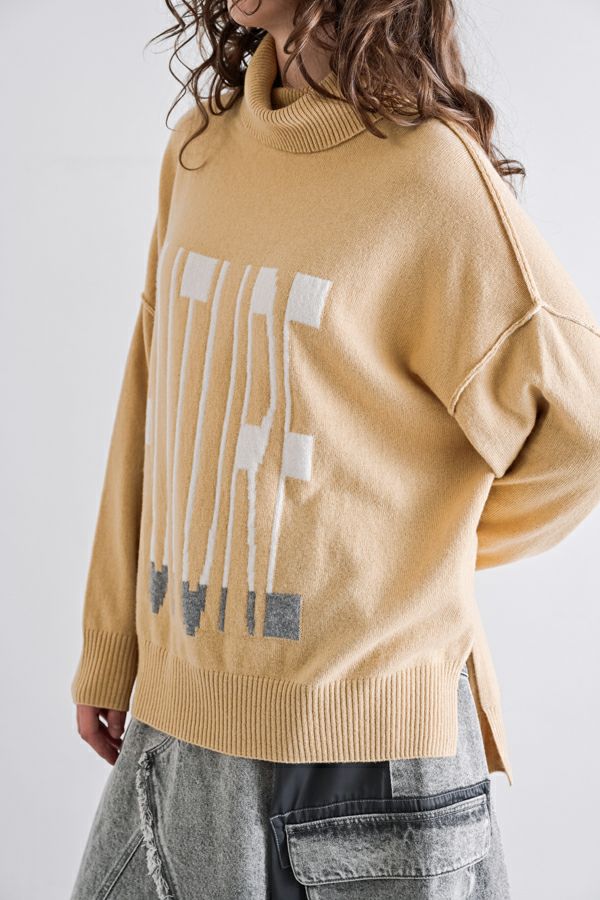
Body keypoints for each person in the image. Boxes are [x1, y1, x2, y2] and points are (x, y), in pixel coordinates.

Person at [69, 1, 600, 897]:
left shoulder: (428, 175)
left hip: (368, 753)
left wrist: (411, 556)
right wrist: (111, 638)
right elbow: (151, 397)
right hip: (180, 723)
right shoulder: (202, 149)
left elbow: (580, 429)